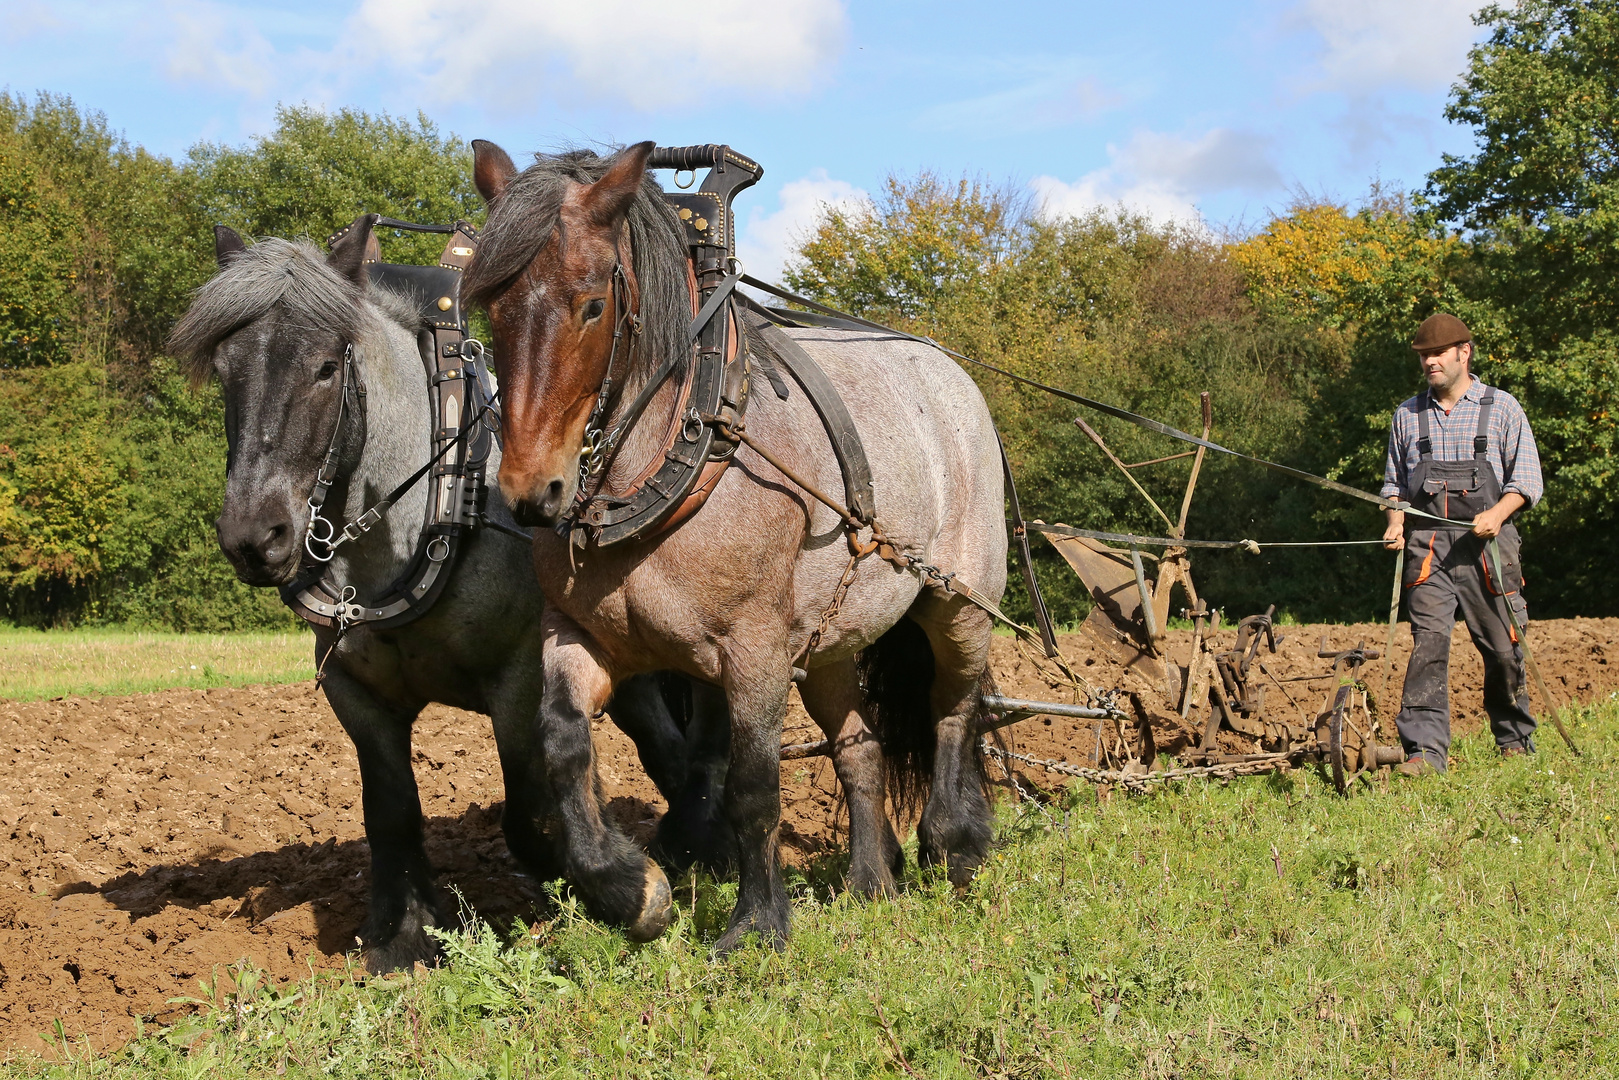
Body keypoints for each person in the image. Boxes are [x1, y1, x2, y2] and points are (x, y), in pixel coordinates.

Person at [1381, 313, 1543, 776]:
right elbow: (1394, 487)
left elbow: (1527, 480)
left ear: (1463, 353)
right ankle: (1425, 753)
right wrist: (1395, 521)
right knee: (1427, 646)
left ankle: (1514, 740)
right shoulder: (1407, 416)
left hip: (1489, 552)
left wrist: (1496, 514)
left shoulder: (1502, 408)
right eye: (1423, 356)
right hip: (1428, 550)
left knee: (1503, 649)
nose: (1429, 362)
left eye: (1437, 353)